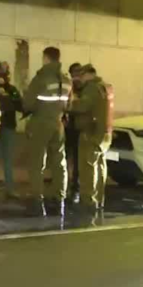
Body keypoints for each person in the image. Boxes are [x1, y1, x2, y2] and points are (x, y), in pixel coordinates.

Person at [22, 47, 72, 217]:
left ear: (46, 58)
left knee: (37, 164)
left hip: (40, 124)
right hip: (58, 125)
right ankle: (60, 202)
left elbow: (28, 104)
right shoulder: (66, 79)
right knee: (59, 163)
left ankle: (37, 203)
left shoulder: (41, 78)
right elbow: (69, 104)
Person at [70, 64, 114, 216]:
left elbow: (82, 107)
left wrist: (71, 101)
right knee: (100, 167)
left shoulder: (91, 88)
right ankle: (99, 200)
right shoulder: (105, 87)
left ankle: (88, 201)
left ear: (88, 75)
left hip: (91, 133)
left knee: (88, 168)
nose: (80, 79)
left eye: (82, 76)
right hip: (105, 133)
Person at [0, 61, 22, 199]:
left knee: (8, 159)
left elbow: (19, 104)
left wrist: (8, 90)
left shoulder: (12, 89)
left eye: (7, 70)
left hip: (8, 126)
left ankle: (10, 189)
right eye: (3, 70)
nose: (5, 73)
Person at [65, 63, 83, 205]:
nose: (75, 76)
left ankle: (75, 190)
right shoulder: (68, 87)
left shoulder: (85, 89)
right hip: (67, 128)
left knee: (77, 161)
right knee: (64, 159)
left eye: (78, 73)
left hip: (79, 129)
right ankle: (64, 188)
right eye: (73, 74)